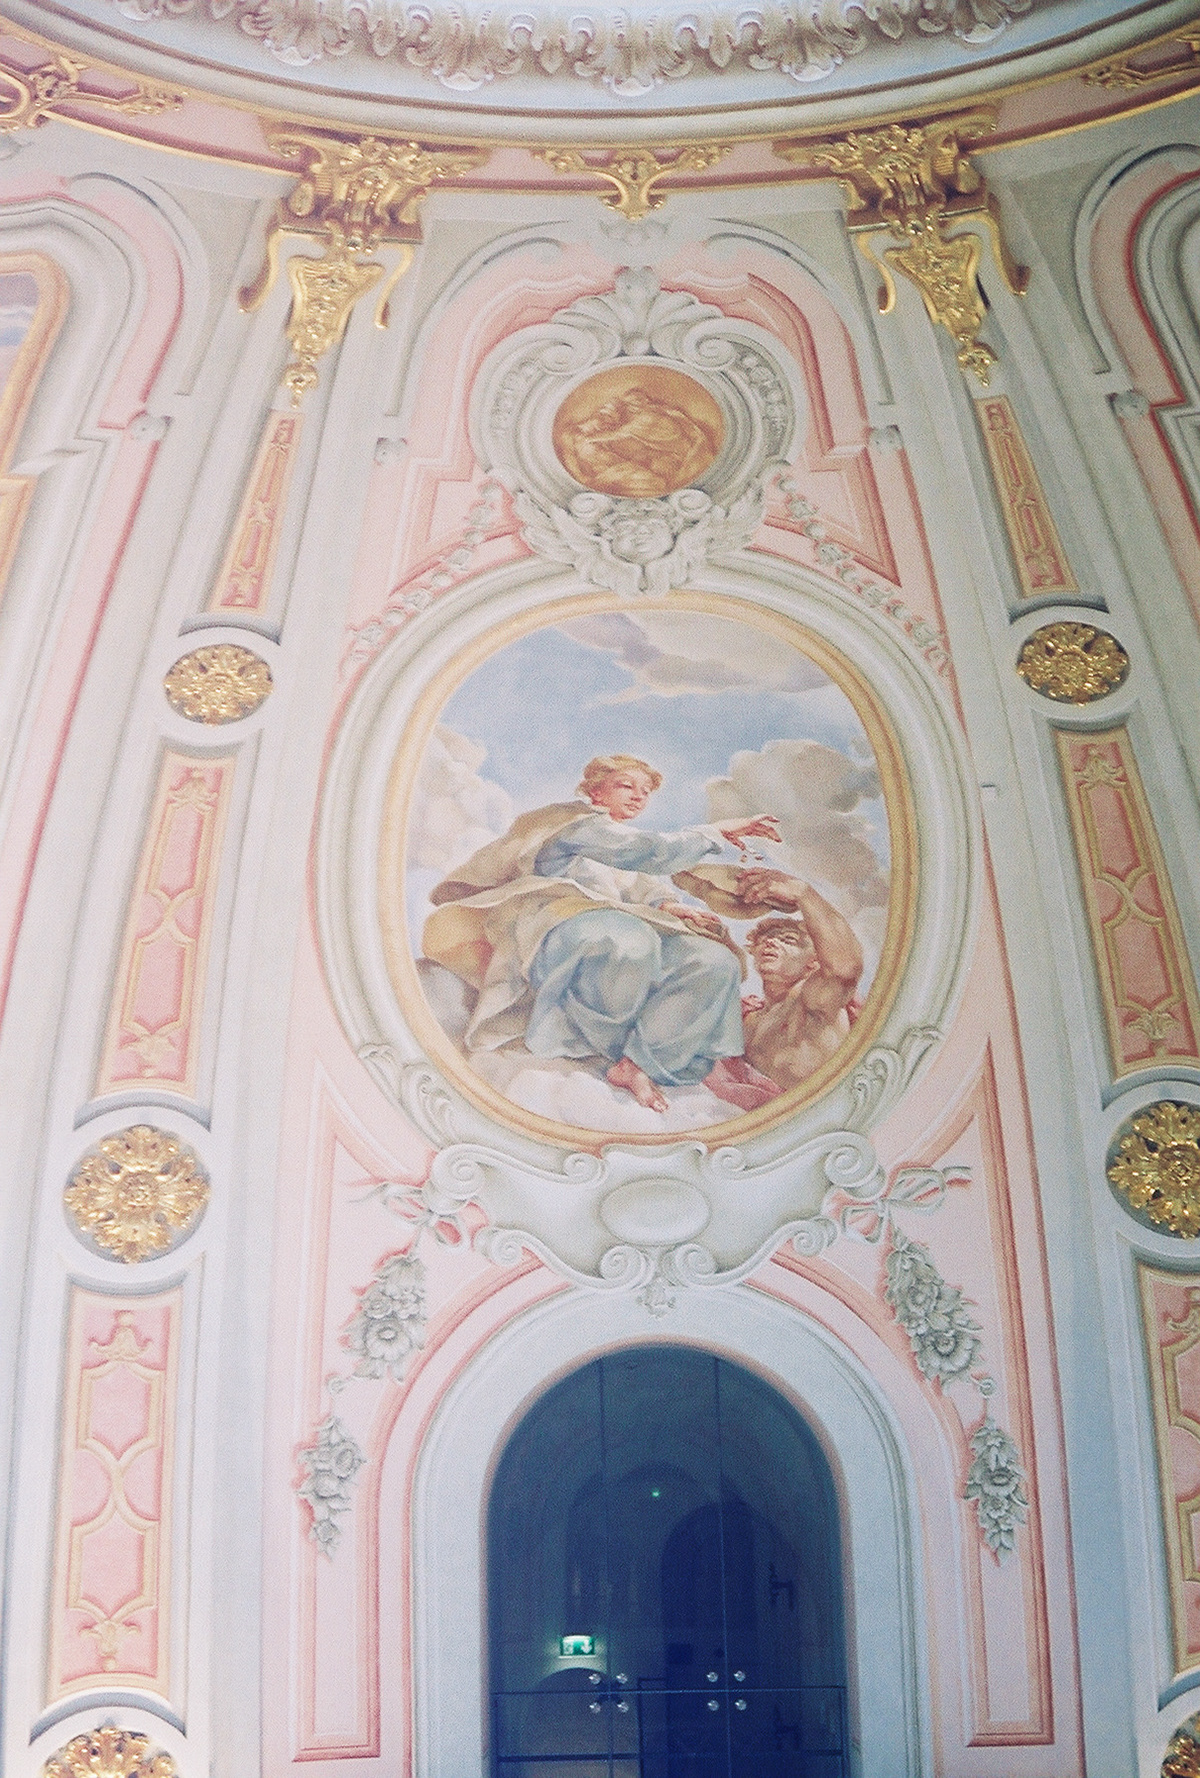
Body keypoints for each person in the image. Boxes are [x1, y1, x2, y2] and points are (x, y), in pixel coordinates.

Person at [422, 755, 779, 1113]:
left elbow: (644, 888)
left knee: (713, 960)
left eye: (646, 791)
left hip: (622, 923)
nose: (638, 797)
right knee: (627, 940)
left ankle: (639, 1063)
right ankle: (602, 1049)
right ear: (595, 789)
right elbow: (646, 852)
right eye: (626, 785)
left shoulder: (621, 840)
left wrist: (668, 907)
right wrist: (717, 832)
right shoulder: (572, 825)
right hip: (559, 923)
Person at [735, 869, 864, 1091]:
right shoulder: (747, 1017)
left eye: (787, 940)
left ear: (814, 961)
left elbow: (845, 967)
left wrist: (802, 893)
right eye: (764, 939)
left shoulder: (812, 997)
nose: (771, 943)